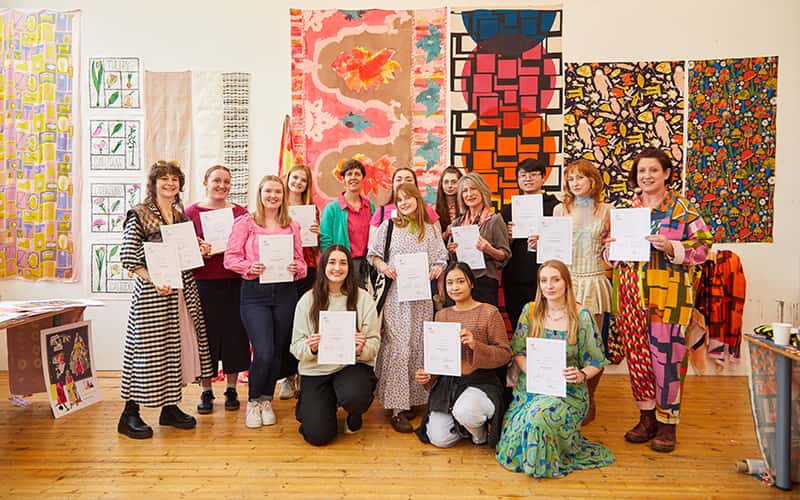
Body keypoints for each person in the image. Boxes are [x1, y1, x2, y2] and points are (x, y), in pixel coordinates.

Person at [609, 147, 712, 452]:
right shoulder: (626, 210)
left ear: (666, 173)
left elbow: (704, 248)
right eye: (642, 171)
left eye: (653, 170)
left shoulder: (683, 209)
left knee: (667, 360)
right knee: (638, 358)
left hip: (670, 296)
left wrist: (672, 247)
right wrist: (611, 248)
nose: (647, 176)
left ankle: (668, 423)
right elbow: (606, 251)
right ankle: (646, 417)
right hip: (629, 294)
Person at [118, 160, 214, 439]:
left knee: (176, 347)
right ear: (154, 183)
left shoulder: (179, 215)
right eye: (165, 179)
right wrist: (153, 279)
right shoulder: (140, 214)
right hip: (153, 293)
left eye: (175, 180)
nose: (170, 184)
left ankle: (169, 408)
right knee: (146, 352)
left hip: (180, 291)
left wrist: (201, 249)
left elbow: (185, 254)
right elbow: (127, 257)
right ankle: (129, 413)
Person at [495, 260, 614, 478]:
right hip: (532, 388)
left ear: (566, 283)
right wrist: (530, 369)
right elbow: (518, 351)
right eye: (544, 281)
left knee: (537, 423)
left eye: (555, 280)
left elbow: (596, 361)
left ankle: (542, 462)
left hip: (567, 391)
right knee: (514, 435)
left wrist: (581, 374)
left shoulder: (581, 316)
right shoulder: (530, 312)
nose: (549, 286)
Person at [224, 175, 307, 429]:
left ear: (283, 196)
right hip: (254, 294)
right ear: (260, 194)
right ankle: (253, 401)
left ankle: (266, 399)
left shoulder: (291, 225)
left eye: (277, 192)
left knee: (278, 351)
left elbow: (302, 264)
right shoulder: (245, 223)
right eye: (268, 191)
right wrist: (250, 266)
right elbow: (230, 259)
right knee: (264, 351)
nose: (273, 196)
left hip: (285, 293)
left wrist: (296, 267)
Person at [368, 183, 448, 433]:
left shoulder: (429, 230)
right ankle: (396, 407)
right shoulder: (389, 226)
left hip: (422, 299)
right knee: (399, 347)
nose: (403, 203)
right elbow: (373, 255)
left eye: (407, 198)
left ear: (417, 199)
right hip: (396, 298)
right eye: (399, 199)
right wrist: (385, 268)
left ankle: (412, 399)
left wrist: (437, 268)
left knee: (417, 345)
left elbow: (441, 258)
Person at [290, 245, 381, 446]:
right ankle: (320, 404)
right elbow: (295, 347)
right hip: (316, 371)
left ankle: (354, 412)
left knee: (354, 394)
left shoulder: (363, 298)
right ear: (323, 266)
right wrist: (311, 348)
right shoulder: (307, 301)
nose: (337, 268)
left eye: (343, 263)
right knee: (318, 436)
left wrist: (361, 348)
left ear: (350, 267)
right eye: (332, 262)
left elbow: (374, 344)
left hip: (350, 367)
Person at [415, 262, 512, 447]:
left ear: (471, 283)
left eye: (460, 281)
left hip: (481, 381)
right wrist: (428, 374)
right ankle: (465, 425)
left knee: (466, 411)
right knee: (439, 439)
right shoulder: (441, 315)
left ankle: (479, 434)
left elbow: (505, 354)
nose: (455, 287)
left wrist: (476, 345)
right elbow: (438, 358)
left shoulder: (489, 312)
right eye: (450, 283)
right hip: (449, 385)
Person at [185, 165, 250, 414]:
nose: (222, 185)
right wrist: (197, 249)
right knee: (206, 338)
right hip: (203, 283)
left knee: (235, 336)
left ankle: (232, 389)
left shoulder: (241, 213)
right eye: (216, 180)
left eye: (226, 181)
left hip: (235, 282)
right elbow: (181, 251)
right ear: (205, 182)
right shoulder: (190, 213)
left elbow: (249, 245)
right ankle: (206, 391)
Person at [551, 159, 612, 425]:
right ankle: (564, 397)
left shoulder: (607, 210)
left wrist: (614, 246)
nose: (575, 183)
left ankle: (589, 397)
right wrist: (540, 244)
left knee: (592, 345)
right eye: (571, 179)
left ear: (593, 181)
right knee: (563, 343)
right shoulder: (559, 210)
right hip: (568, 280)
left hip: (594, 279)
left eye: (580, 178)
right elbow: (552, 250)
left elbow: (613, 255)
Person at [500, 158, 560, 331]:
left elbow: (562, 240)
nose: (528, 178)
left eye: (533, 174)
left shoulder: (555, 207)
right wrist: (508, 238)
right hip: (515, 276)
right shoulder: (508, 210)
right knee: (519, 322)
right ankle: (521, 357)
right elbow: (501, 248)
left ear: (543, 178)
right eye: (523, 175)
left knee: (546, 323)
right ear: (518, 179)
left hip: (545, 275)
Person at [279, 164, 321, 400]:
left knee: (307, 323)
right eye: (295, 178)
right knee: (286, 325)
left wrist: (317, 231)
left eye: (303, 180)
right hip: (283, 272)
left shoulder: (312, 211)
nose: (298, 183)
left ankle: (305, 374)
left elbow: (315, 246)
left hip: (307, 270)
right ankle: (287, 376)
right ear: (288, 179)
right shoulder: (276, 205)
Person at [447, 173, 510, 307]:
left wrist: (489, 249)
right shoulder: (457, 223)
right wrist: (452, 251)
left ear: (482, 190)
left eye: (473, 188)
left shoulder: (494, 220)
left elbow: (505, 255)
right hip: (461, 282)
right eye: (465, 191)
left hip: (485, 281)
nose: (469, 194)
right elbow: (452, 259)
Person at [319, 159, 374, 288]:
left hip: (367, 265)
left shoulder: (370, 206)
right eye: (349, 174)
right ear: (343, 180)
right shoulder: (332, 208)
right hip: (343, 264)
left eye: (357, 174)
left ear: (363, 178)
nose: (353, 177)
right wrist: (334, 266)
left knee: (364, 302)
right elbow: (325, 241)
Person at [369, 167, 440, 240]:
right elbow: (372, 245)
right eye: (399, 180)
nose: (403, 183)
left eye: (408, 180)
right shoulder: (381, 212)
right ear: (393, 185)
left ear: (415, 185)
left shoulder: (427, 210)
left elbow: (437, 241)